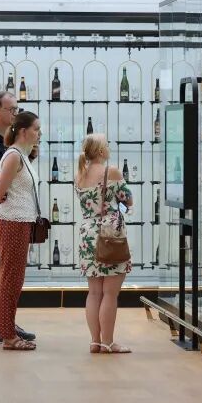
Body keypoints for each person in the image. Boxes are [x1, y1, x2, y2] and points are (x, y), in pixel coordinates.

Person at [0, 91, 35, 344]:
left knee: (8, 270)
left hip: (12, 214)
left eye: (17, 109)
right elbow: (3, 188)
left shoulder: (9, 144)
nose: (15, 113)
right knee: (0, 267)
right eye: (11, 109)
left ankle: (6, 323)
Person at [75, 133, 133, 354]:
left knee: (93, 293)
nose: (109, 148)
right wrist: (118, 204)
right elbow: (128, 201)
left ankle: (95, 341)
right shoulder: (112, 172)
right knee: (110, 293)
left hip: (88, 234)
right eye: (107, 145)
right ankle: (108, 342)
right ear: (101, 151)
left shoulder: (79, 174)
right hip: (110, 235)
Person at [0, 111, 42, 351]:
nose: (39, 134)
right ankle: (8, 335)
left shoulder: (22, 155)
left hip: (20, 221)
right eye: (36, 129)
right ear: (23, 131)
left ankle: (8, 329)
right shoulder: (13, 156)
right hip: (11, 221)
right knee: (11, 279)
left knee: (15, 279)